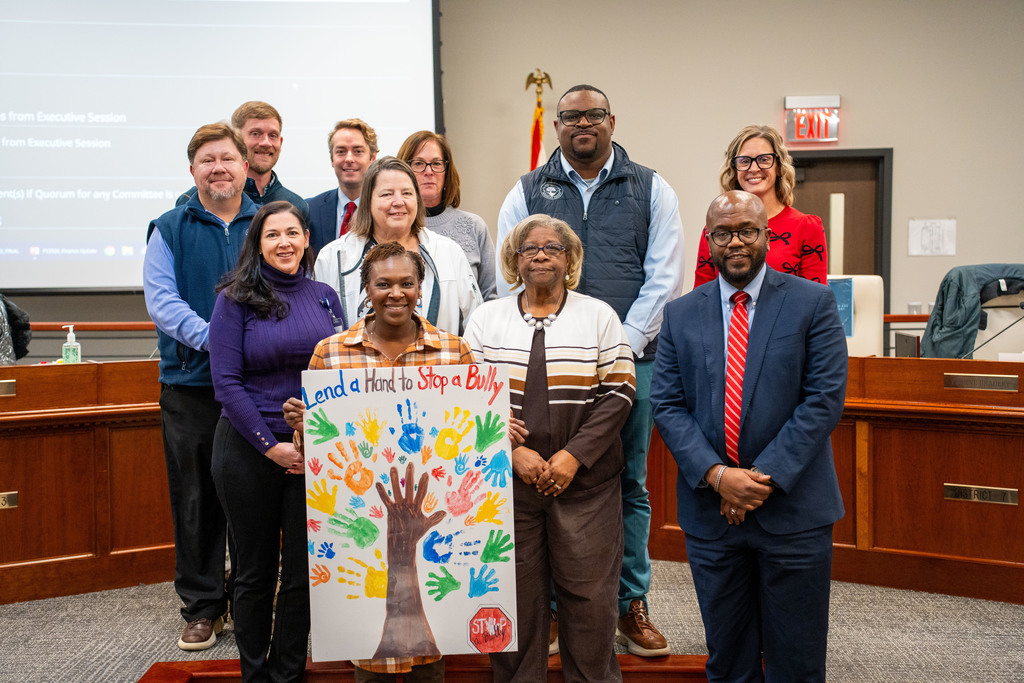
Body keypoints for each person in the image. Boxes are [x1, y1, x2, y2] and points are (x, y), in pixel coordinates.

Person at [496, 83, 683, 656]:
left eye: (594, 114)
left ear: (611, 120)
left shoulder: (651, 187)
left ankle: (630, 604)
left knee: (626, 482)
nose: (584, 123)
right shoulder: (527, 189)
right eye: (571, 116)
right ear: (557, 125)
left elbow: (665, 276)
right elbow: (510, 271)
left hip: (631, 362)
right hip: (539, 359)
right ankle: (549, 611)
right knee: (538, 482)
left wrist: (615, 349)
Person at [650, 190, 848, 682]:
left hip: (794, 510)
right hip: (711, 515)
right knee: (729, 660)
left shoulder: (812, 303)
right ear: (708, 241)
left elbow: (823, 399)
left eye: (746, 231)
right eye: (722, 233)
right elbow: (668, 405)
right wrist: (719, 477)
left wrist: (757, 480)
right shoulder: (680, 314)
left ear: (766, 236)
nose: (735, 242)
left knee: (796, 663)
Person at [291, 241, 475, 683]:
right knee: (369, 665)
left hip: (438, 535)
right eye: (383, 284)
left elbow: (469, 444)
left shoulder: (454, 351)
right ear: (366, 289)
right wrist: (303, 426)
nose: (396, 293)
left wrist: (494, 426)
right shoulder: (330, 352)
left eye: (407, 283)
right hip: (360, 527)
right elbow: (316, 452)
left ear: (420, 287)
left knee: (431, 667)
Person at [464, 214, 636, 683]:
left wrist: (573, 456)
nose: (540, 255)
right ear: (514, 261)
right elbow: (465, 396)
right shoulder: (486, 318)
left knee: (590, 603)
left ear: (570, 259)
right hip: (506, 489)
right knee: (516, 602)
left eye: (552, 247)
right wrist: (507, 449)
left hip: (586, 488)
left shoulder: (599, 316)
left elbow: (620, 391)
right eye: (529, 249)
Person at [208, 201, 342, 681]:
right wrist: (273, 446)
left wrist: (310, 445)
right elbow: (225, 382)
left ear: (307, 238)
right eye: (272, 235)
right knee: (254, 571)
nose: (283, 242)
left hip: (313, 454)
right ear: (257, 243)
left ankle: (288, 672)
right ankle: (254, 673)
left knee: (305, 575)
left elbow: (338, 372)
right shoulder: (234, 298)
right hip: (248, 449)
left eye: (292, 232)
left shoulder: (326, 296)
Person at [144, 122, 258, 650]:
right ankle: (203, 607)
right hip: (190, 385)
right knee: (195, 499)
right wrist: (221, 340)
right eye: (207, 160)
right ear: (193, 170)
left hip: (255, 387)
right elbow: (162, 303)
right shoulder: (168, 227)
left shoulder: (269, 223)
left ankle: (248, 598)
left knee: (250, 497)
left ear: (244, 166)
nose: (219, 167)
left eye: (227, 159)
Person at [314, 157, 481, 335]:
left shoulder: (449, 253)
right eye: (387, 194)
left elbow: (475, 323)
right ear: (368, 201)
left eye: (407, 193)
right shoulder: (333, 256)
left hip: (437, 361)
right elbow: (320, 330)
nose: (399, 201)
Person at [693, 124, 828, 287]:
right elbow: (702, 297)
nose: (754, 168)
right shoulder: (715, 230)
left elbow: (814, 300)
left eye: (764, 160)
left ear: (778, 167)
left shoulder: (807, 227)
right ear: (735, 169)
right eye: (744, 161)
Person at [397, 131, 498, 301]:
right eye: (419, 163)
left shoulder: (474, 226)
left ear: (447, 171)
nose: (429, 171)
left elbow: (491, 296)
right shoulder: (393, 225)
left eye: (436, 163)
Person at [176, 101, 309, 222]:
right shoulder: (192, 201)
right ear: (237, 139)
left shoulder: (296, 205)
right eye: (255, 134)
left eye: (272, 135)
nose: (266, 143)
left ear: (280, 142)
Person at [306, 119, 379, 257]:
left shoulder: (386, 209)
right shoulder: (309, 209)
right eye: (341, 151)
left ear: (372, 158)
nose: (349, 159)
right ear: (332, 160)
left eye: (358, 151)